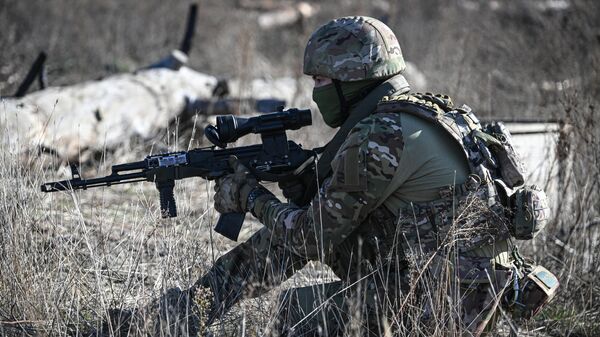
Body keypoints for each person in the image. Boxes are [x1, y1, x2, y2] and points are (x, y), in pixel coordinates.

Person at [97, 16, 555, 337]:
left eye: (320, 81)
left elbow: (309, 237)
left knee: (293, 316)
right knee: (282, 238)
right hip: (470, 291)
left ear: (351, 79)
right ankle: (175, 318)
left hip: (445, 310)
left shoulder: (382, 135)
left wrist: (249, 196)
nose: (315, 93)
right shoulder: (426, 113)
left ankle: (176, 319)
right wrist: (300, 182)